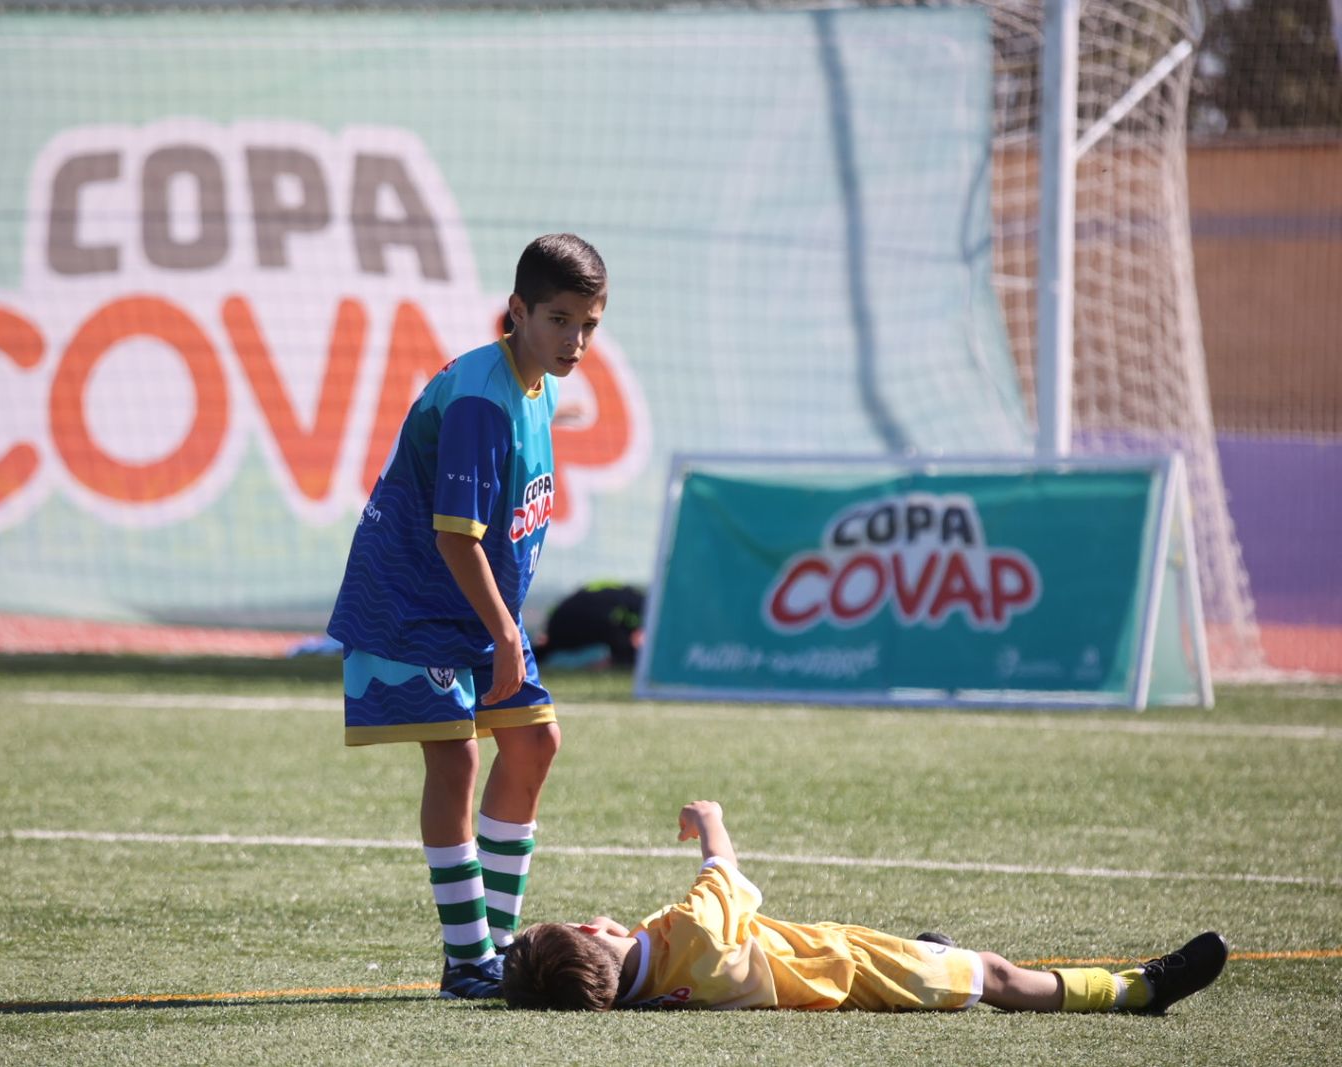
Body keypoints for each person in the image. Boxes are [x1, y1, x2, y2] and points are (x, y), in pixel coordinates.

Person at [326, 234, 608, 999]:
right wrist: (508, 632)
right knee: (456, 758)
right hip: (415, 605)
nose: (575, 340)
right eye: (558, 319)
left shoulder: (535, 382)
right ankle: (467, 960)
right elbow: (455, 538)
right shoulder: (483, 401)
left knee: (534, 745)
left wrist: (502, 626)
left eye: (589, 323)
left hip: (478, 610)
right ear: (516, 311)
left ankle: (504, 950)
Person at [502, 800, 1228, 1014]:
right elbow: (723, 870)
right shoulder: (691, 931)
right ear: (598, 929)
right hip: (856, 968)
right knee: (1000, 976)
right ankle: (1137, 988)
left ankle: (938, 959)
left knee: (943, 960)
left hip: (842, 967)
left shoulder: (647, 994)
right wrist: (709, 815)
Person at [532, 582, 645, 669]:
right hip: (575, 622)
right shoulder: (641, 605)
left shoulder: (627, 596)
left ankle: (530, 661)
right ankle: (612, 664)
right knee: (625, 650)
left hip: (558, 625)